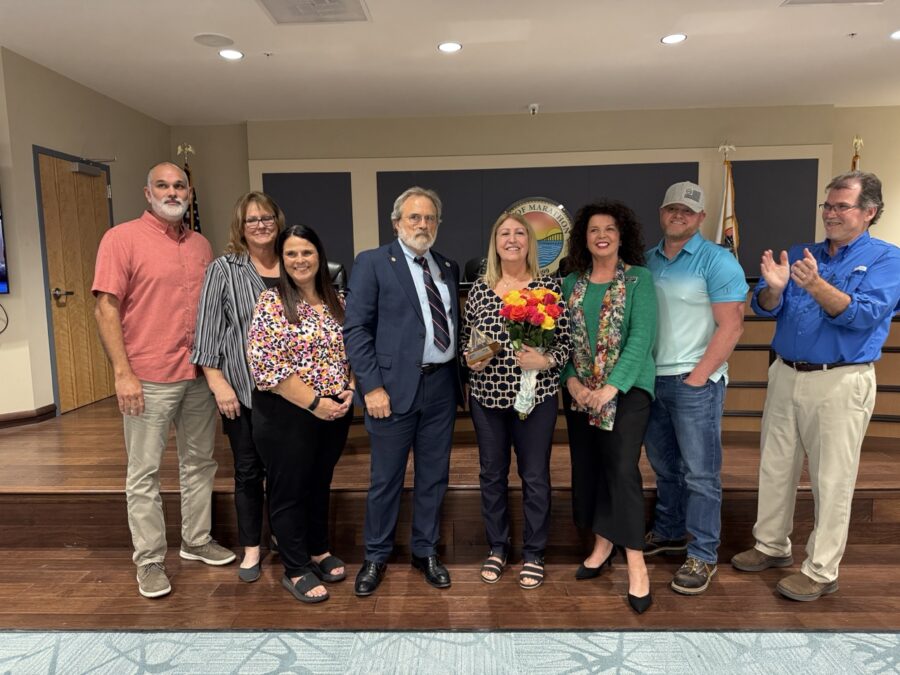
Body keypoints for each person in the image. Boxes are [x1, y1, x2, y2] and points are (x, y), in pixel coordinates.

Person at [731, 170, 900, 601]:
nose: (831, 213)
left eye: (842, 206)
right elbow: (768, 309)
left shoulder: (887, 259)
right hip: (786, 372)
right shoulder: (801, 252)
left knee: (832, 479)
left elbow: (862, 315)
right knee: (775, 467)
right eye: (828, 205)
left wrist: (817, 285)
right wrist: (772, 290)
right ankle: (771, 545)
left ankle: (822, 570)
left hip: (839, 381)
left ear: (869, 212)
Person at [92, 162, 235, 599]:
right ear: (147, 192)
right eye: (163, 186)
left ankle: (195, 541)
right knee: (144, 472)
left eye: (179, 186)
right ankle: (151, 560)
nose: (172, 193)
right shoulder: (121, 239)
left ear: (189, 193)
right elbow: (105, 308)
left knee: (199, 464)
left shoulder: (201, 244)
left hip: (197, 374)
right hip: (147, 376)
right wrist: (122, 373)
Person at [344, 186, 462, 596]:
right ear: (396, 223)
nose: (423, 225)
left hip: (442, 387)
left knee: (434, 477)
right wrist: (371, 387)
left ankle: (425, 551)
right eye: (414, 218)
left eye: (429, 218)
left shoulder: (447, 265)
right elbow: (356, 329)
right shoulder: (374, 263)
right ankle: (375, 556)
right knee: (385, 479)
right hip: (390, 392)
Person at [643, 181, 748, 595]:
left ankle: (703, 554)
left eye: (688, 211)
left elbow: (733, 324)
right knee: (665, 467)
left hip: (695, 380)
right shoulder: (647, 261)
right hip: (652, 380)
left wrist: (699, 376)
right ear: (662, 212)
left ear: (702, 217)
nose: (679, 215)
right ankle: (669, 531)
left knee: (701, 474)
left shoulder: (717, 260)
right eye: (672, 209)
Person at [462, 212, 570, 590]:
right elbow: (466, 347)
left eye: (519, 233)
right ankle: (497, 546)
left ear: (530, 242)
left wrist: (545, 359)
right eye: (503, 233)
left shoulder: (549, 287)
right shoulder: (478, 289)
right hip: (488, 398)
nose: (511, 239)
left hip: (535, 398)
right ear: (495, 242)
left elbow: (566, 344)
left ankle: (535, 551)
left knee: (535, 476)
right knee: (492, 475)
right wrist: (476, 357)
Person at [247, 224, 354, 603]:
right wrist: (314, 402)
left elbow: (356, 347)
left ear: (320, 256)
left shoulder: (338, 298)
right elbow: (266, 367)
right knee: (288, 489)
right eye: (291, 253)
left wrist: (350, 389)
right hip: (287, 412)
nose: (299, 260)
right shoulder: (271, 302)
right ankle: (294, 567)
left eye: (306, 252)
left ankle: (318, 549)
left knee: (318, 482)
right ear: (282, 259)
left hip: (333, 412)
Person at [561, 200, 657, 614]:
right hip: (581, 393)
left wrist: (611, 388)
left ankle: (635, 562)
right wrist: (574, 383)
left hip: (629, 390)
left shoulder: (639, 280)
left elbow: (641, 340)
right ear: (584, 238)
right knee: (591, 466)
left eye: (610, 229)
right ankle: (602, 543)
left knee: (620, 468)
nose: (601, 235)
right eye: (594, 229)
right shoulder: (570, 284)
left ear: (622, 236)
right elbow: (560, 341)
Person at [191, 191, 284, 582]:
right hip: (243, 392)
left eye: (267, 218)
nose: (260, 225)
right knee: (248, 472)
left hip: (292, 393)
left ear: (278, 222)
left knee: (286, 471)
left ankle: (285, 537)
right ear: (240, 228)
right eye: (252, 220)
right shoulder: (224, 269)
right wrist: (217, 383)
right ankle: (251, 548)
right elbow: (208, 330)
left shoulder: (295, 263)